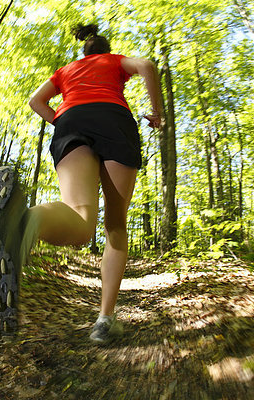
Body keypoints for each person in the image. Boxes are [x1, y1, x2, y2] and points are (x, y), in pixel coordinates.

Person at [26, 23, 164, 343]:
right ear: (105, 49)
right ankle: (104, 319)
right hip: (113, 120)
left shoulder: (66, 70)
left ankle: (23, 219)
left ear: (84, 52)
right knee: (115, 225)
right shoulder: (114, 61)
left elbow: (36, 102)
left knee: (79, 214)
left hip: (71, 122)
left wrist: (62, 120)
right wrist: (156, 113)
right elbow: (146, 66)